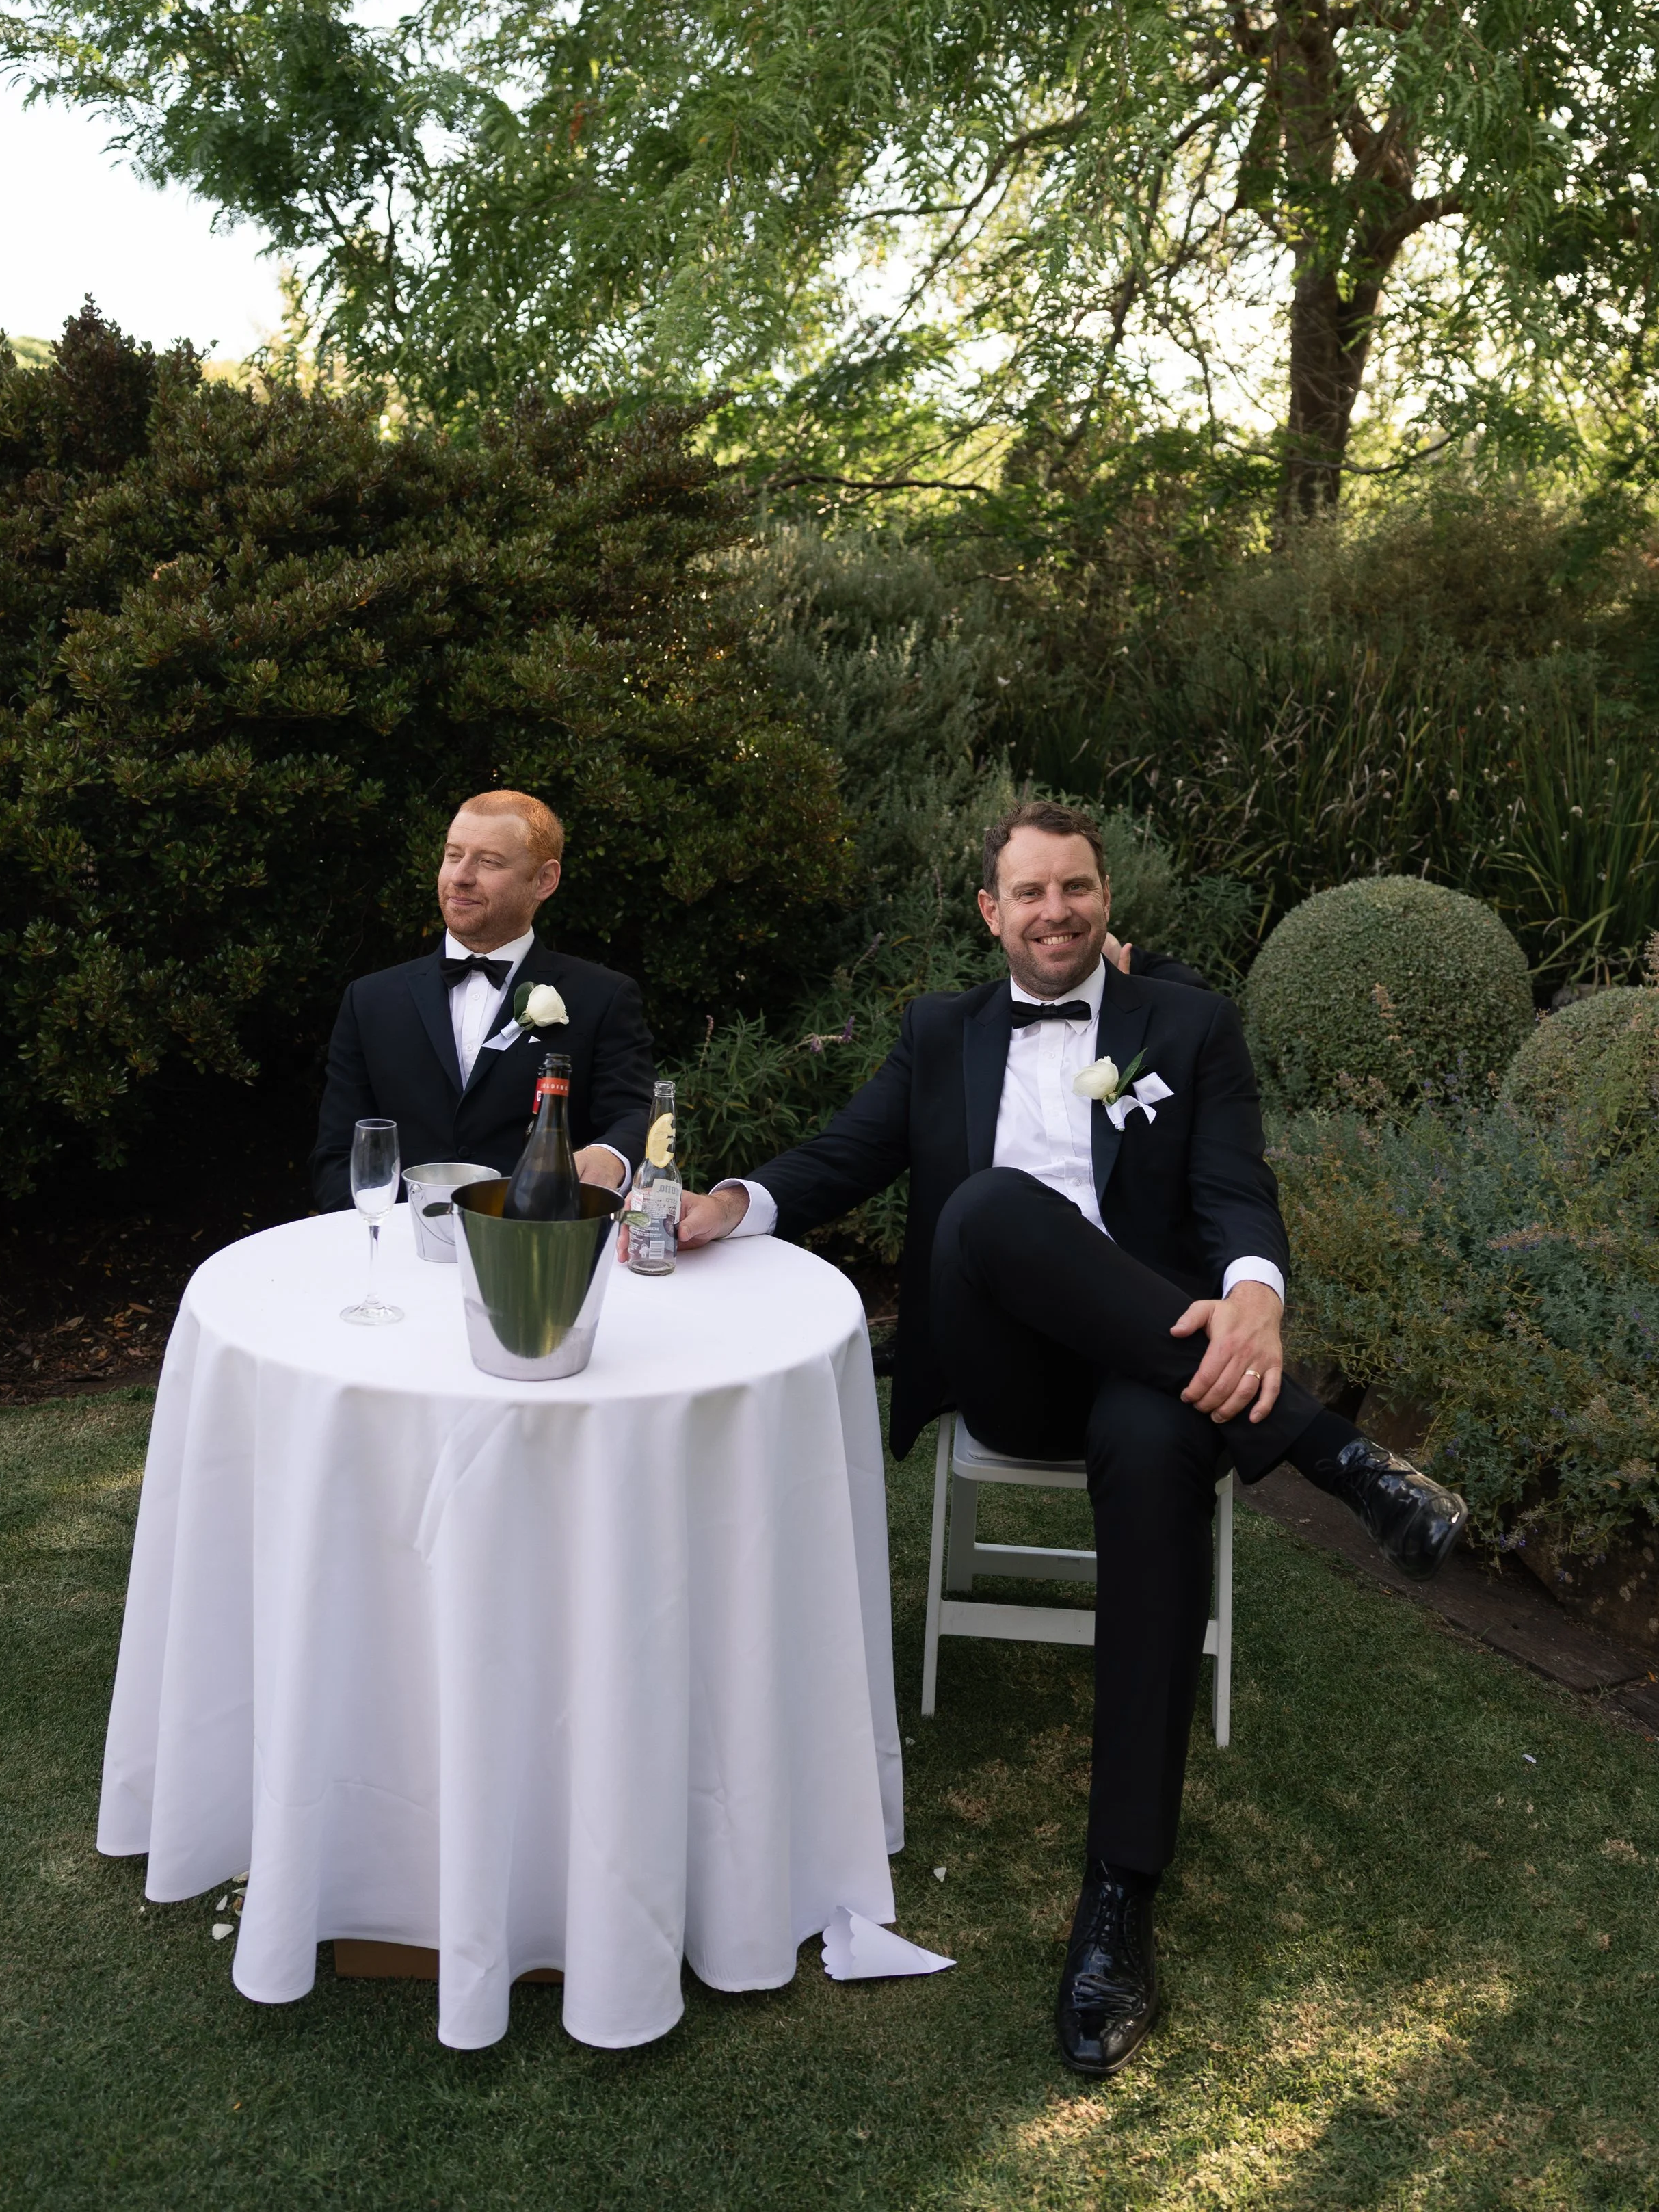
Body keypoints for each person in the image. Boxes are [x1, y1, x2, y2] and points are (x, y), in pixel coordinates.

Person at [669, 799, 1465, 2079]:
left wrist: (1256, 1293)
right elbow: (843, 1155)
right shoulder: (940, 1030)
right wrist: (735, 1199)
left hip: (1156, 1364)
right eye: (1031, 892)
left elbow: (1235, 1190)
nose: (1057, 912)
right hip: (1012, 1371)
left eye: (1077, 887)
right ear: (993, 912)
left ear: (1106, 897)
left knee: (1157, 1455)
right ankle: (1332, 1454)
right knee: (991, 1205)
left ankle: (1119, 1899)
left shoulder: (1187, 1025)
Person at [310, 791, 654, 1211]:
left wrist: (608, 1156)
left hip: (537, 1235)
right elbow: (340, 1152)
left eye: (489, 862)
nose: (460, 876)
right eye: (453, 855)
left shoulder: (603, 996)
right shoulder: (369, 1000)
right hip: (402, 1237)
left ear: (544, 880)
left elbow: (634, 1114)